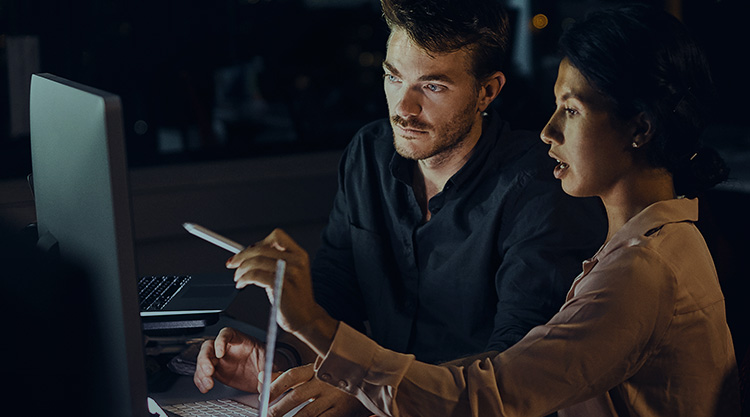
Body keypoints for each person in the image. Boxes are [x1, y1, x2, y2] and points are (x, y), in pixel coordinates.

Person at [226, 5, 742, 417]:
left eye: (570, 110)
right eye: (392, 77)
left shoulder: (640, 267)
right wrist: (286, 357)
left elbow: (491, 396)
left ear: (641, 129)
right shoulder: (639, 246)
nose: (548, 133)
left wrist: (326, 345)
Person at [195, 0, 606, 415]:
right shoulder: (368, 154)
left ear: (488, 91)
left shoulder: (540, 188)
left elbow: (510, 370)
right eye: (393, 78)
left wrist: (366, 389)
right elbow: (338, 289)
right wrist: (281, 359)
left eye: (432, 86)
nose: (404, 109)